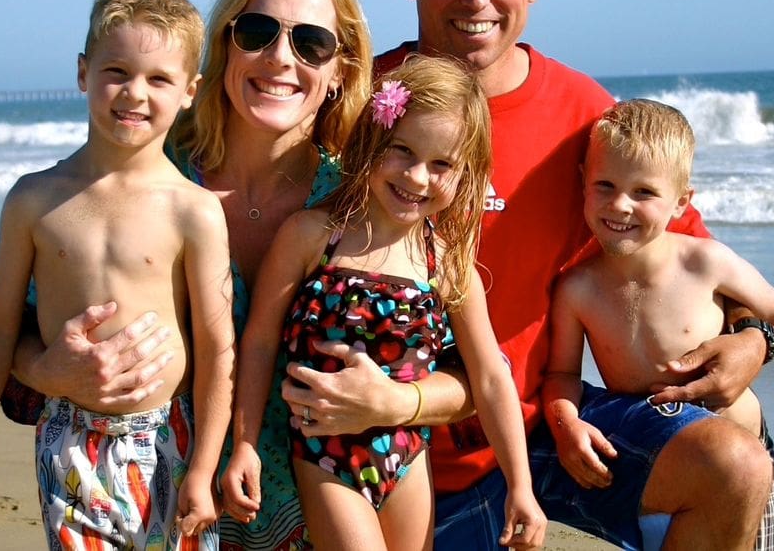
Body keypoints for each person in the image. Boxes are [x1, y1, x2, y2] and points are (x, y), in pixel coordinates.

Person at [280, 0, 774, 550]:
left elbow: (696, 255)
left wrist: (753, 339)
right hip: (368, 445)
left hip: (537, 432)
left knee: (736, 465)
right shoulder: (362, 103)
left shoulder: (585, 119)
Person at [1, 0, 374, 550]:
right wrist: (43, 369)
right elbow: (14, 324)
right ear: (223, 45)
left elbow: (452, 364)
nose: (280, 57)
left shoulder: (362, 204)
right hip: (154, 495)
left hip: (318, 511)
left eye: (312, 43)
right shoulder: (147, 165)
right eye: (257, 32)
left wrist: (399, 399)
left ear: (340, 69)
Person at [0, 0, 234, 549]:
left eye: (159, 79)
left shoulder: (193, 210)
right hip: (68, 436)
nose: (134, 93)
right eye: (116, 71)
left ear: (190, 91)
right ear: (83, 73)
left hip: (168, 440)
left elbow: (217, 345)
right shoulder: (34, 199)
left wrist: (204, 467)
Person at [225, 56, 547, 550]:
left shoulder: (448, 263)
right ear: (373, 141)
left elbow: (489, 376)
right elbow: (261, 339)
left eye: (442, 164)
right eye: (402, 151)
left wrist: (520, 486)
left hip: (408, 455)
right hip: (324, 453)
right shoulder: (315, 235)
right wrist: (244, 443)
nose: (417, 177)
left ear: (468, 174)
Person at [545, 98, 774, 550]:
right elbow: (562, 375)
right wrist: (565, 423)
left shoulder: (705, 263)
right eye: (605, 185)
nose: (620, 205)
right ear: (582, 183)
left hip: (746, 452)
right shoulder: (577, 288)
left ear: (681, 201)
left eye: (644, 193)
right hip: (662, 456)